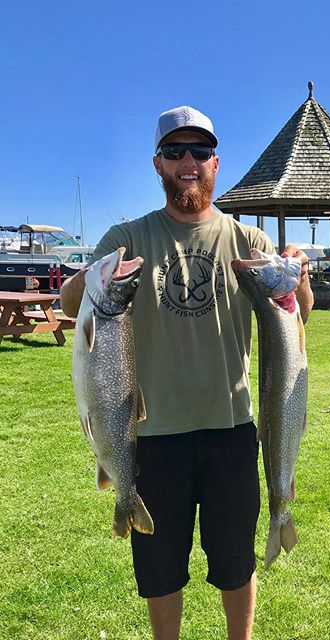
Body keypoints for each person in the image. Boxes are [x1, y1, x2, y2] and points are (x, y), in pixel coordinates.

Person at [61, 105, 313, 640]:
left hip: (233, 428)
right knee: (159, 569)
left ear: (216, 163)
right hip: (150, 436)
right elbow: (67, 302)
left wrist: (299, 274)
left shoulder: (249, 244)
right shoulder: (127, 238)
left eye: (199, 151)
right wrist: (97, 275)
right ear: (158, 163)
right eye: (175, 152)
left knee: (235, 564)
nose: (188, 162)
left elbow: (298, 310)